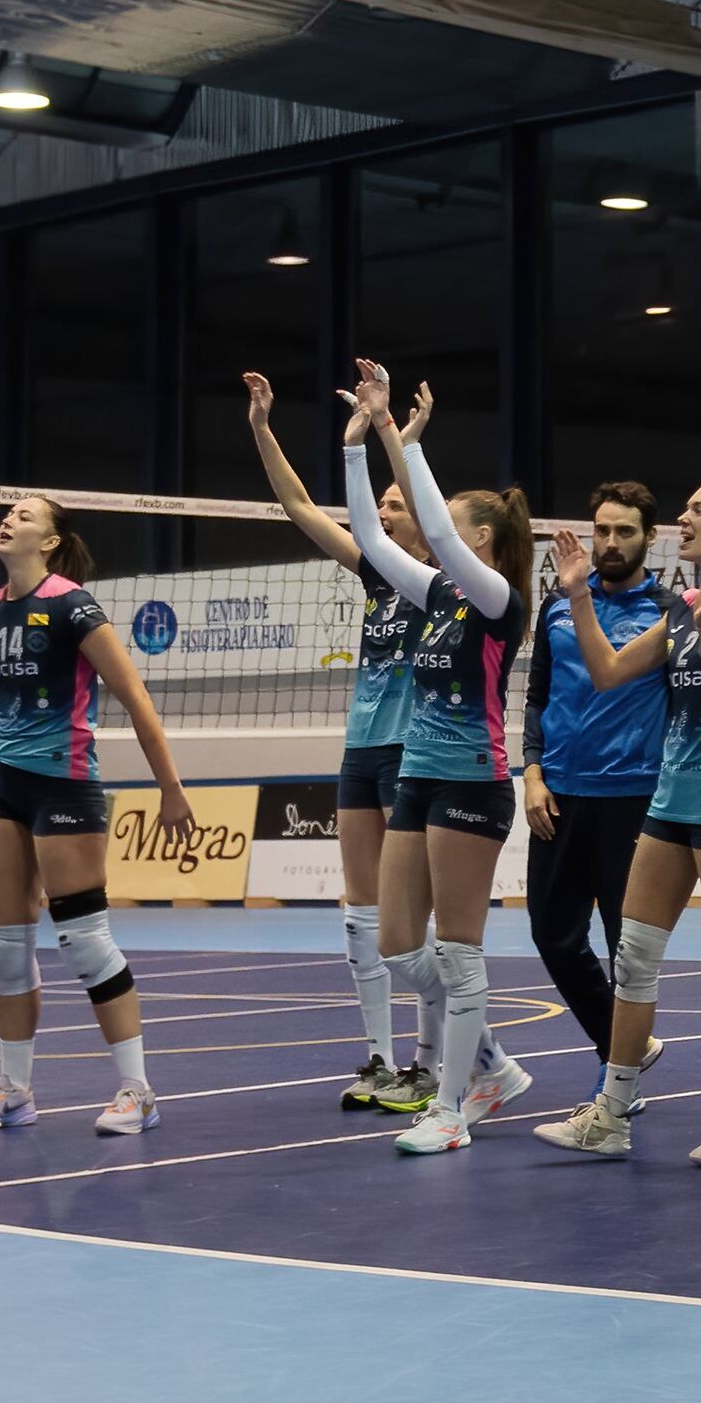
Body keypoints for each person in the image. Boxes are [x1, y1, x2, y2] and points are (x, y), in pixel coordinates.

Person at [530, 474, 701, 1166]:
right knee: (634, 957)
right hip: (671, 799)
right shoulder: (680, 607)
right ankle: (610, 1114)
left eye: (697, 510)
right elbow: (609, 670)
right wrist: (579, 594)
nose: (684, 517)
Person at [0, 492, 196, 1137]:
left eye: (25, 516)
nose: (9, 519)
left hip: (64, 785)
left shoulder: (72, 604)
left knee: (84, 942)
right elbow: (2, 686)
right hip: (2, 784)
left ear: (51, 541)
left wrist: (169, 787)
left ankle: (137, 1091)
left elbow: (134, 696)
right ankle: (15, 1090)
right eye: (8, 512)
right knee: (5, 947)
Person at [345, 363, 536, 1157]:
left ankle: (454, 1108)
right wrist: (360, 444)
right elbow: (367, 536)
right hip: (418, 778)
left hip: (472, 783)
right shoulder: (430, 597)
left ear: (480, 539)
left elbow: (441, 532)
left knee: (458, 955)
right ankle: (491, 1060)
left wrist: (399, 437)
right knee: (397, 946)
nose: (429, 531)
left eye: (455, 527)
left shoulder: (496, 601)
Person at [243, 367, 439, 1108]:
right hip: (361, 751)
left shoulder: (444, 584)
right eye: (379, 505)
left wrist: (391, 433)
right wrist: (263, 427)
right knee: (359, 916)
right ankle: (380, 1059)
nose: (381, 514)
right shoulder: (375, 578)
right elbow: (296, 504)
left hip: (415, 753)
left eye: (394, 505)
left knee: (409, 925)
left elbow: (418, 499)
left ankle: (429, 1065)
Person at [519, 481, 670, 1099]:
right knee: (552, 936)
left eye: (624, 531)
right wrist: (531, 773)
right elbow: (536, 699)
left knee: (625, 949)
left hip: (632, 799)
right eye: (602, 530)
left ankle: (620, 1084)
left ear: (649, 538)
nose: (610, 542)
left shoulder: (669, 610)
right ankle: (623, 1045)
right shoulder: (555, 606)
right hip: (557, 796)